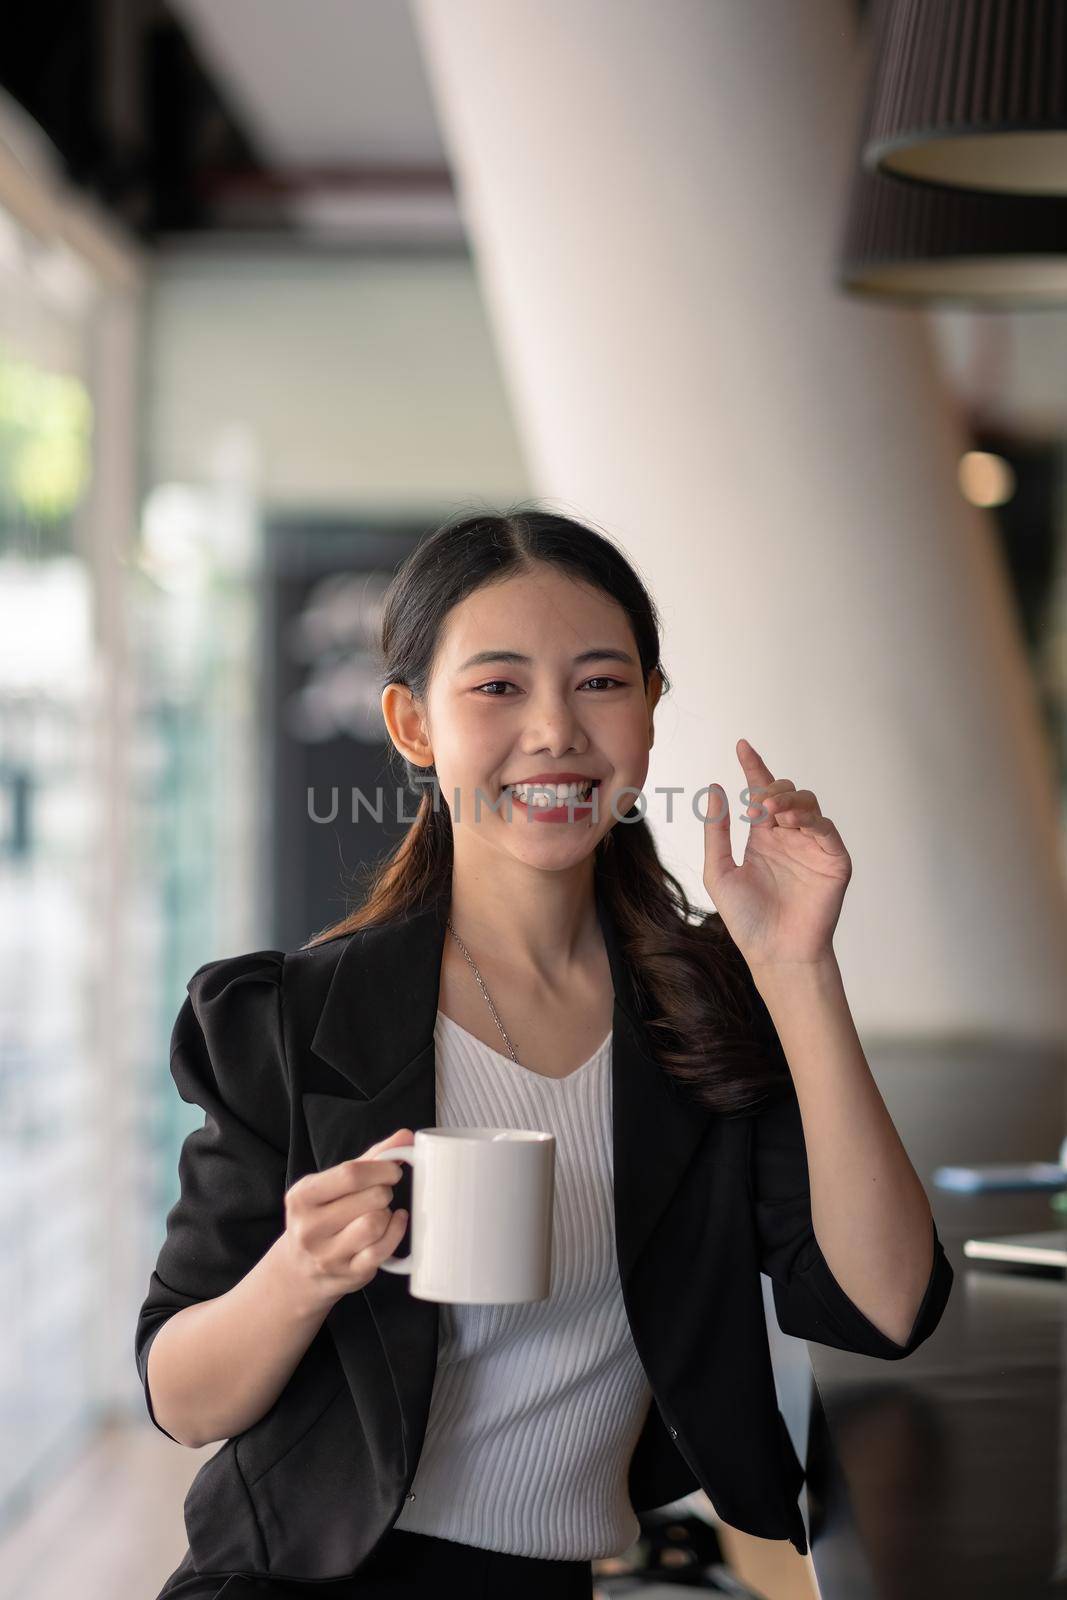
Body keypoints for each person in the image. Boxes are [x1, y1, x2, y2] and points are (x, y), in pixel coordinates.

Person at [135, 506, 954, 1598]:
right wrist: (301, 1272)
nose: (556, 730)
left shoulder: (700, 1009)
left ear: (651, 710)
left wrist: (796, 968)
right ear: (412, 723)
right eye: (497, 686)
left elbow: (887, 1305)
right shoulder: (284, 1019)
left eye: (601, 682)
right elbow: (183, 1399)